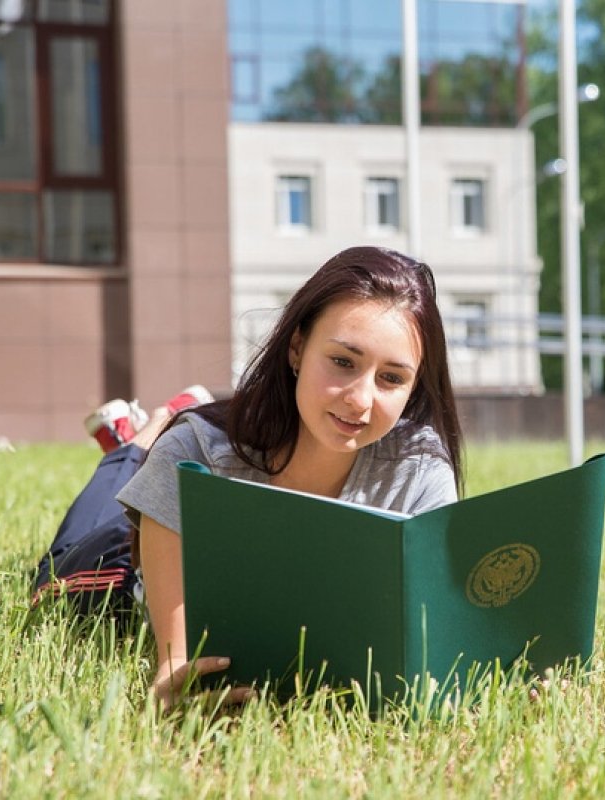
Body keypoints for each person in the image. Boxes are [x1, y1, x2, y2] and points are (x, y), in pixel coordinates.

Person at [32, 246, 464, 709]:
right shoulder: (196, 450)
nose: (361, 400)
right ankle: (133, 441)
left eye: (392, 378)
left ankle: (145, 436)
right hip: (119, 570)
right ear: (297, 348)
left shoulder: (420, 474)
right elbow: (174, 671)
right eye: (342, 362)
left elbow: (444, 637)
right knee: (62, 571)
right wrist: (172, 684)